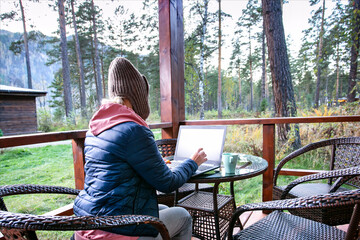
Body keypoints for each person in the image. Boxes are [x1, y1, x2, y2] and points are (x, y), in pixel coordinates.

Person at [73, 57, 208, 240]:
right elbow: (167, 183)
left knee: (165, 210)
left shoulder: (95, 129)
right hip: (116, 230)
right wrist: (192, 162)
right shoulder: (134, 130)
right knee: (183, 217)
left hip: (90, 222)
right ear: (137, 96)